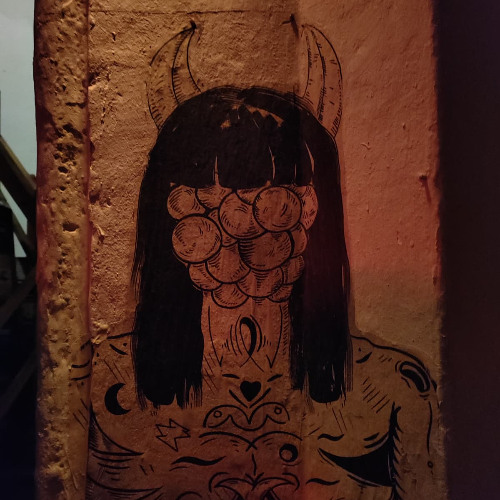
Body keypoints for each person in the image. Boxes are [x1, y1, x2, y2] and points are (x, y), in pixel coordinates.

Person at [83, 25, 439, 500]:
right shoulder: (105, 380)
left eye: (278, 200)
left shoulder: (394, 389)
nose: (244, 226)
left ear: (312, 211)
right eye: (210, 198)